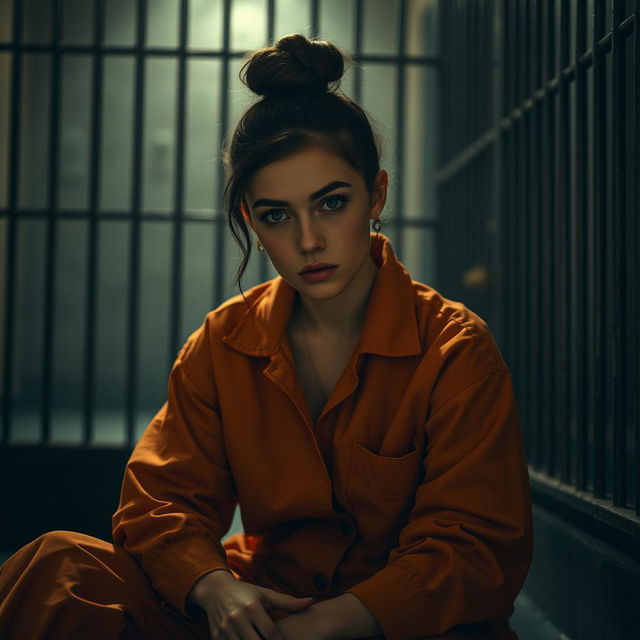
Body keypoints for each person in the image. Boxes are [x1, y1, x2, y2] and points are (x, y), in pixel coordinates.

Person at [0, 33, 533, 640]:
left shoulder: (456, 351)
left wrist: (330, 624)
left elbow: (476, 548)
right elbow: (160, 501)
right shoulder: (223, 343)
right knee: (57, 567)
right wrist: (215, 588)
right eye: (277, 214)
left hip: (392, 621)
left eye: (332, 203)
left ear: (376, 195)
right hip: (260, 610)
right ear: (252, 222)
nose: (308, 240)